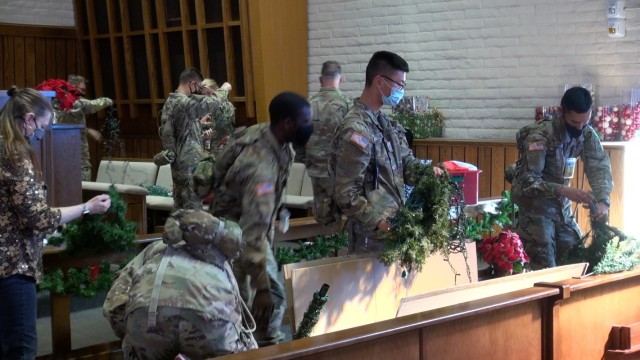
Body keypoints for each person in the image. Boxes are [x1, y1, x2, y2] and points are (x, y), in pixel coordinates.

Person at [0, 87, 111, 359]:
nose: (40, 134)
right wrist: (87, 207)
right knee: (20, 349)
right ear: (27, 119)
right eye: (41, 127)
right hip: (14, 267)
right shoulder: (15, 154)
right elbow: (40, 217)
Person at [210, 92, 313, 346]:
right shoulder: (261, 170)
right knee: (266, 296)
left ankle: (250, 344)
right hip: (234, 233)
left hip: (240, 225)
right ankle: (265, 347)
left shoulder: (268, 135)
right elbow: (252, 231)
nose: (310, 127)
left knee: (241, 299)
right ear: (287, 123)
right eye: (306, 121)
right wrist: (263, 287)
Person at [329, 51, 443, 254]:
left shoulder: (388, 125)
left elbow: (407, 165)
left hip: (396, 230)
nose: (401, 91)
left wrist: (428, 172)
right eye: (399, 84)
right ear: (380, 81)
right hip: (371, 237)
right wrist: (379, 222)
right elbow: (346, 194)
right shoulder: (356, 130)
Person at [103, 210, 257, 359]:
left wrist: (131, 334)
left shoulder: (155, 248)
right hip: (214, 323)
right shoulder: (221, 257)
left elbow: (112, 307)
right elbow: (238, 310)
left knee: (135, 348)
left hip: (149, 317)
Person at [511, 86, 613, 269]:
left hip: (561, 207)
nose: (580, 128)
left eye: (584, 122)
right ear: (561, 112)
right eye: (574, 123)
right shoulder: (540, 136)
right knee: (544, 266)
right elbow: (529, 182)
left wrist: (603, 200)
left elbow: (599, 167)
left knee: (575, 259)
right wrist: (565, 190)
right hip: (535, 208)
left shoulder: (586, 133)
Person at [157, 68, 229, 210]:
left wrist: (198, 125)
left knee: (180, 210)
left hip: (178, 166)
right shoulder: (183, 102)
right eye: (198, 86)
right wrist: (224, 89)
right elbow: (208, 105)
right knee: (193, 211)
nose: (197, 90)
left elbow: (179, 130)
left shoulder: (170, 102)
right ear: (191, 83)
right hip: (189, 165)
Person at [298, 61, 352, 224]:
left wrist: (303, 159)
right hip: (340, 171)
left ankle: (324, 246)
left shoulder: (307, 104)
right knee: (344, 217)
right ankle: (340, 249)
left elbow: (299, 137)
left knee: (322, 217)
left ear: (321, 79)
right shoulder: (347, 104)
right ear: (341, 79)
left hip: (315, 169)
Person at [58, 74, 113, 181]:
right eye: (82, 89)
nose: (84, 93)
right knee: (83, 181)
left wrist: (87, 130)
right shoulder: (75, 102)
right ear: (73, 87)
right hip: (77, 153)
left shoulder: (58, 101)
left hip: (62, 153)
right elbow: (91, 106)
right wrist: (108, 100)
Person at [200, 78, 235, 155]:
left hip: (227, 147)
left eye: (209, 93)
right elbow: (204, 141)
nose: (207, 97)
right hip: (211, 150)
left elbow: (229, 129)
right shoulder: (203, 109)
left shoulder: (228, 106)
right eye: (204, 95)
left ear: (216, 90)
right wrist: (206, 139)